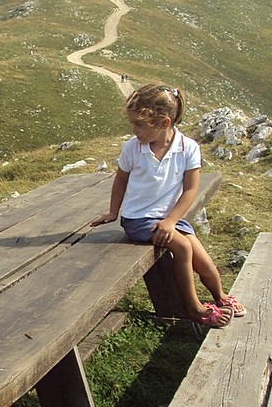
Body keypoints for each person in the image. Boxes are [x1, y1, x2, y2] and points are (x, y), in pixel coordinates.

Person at [90, 83, 246, 327]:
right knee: (183, 248)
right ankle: (194, 308)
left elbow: (191, 189)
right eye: (132, 123)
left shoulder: (188, 148)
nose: (134, 130)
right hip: (139, 219)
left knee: (203, 260)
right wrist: (113, 212)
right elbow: (121, 179)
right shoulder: (132, 148)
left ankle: (221, 296)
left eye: (139, 124)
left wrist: (171, 221)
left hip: (170, 219)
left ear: (164, 123)